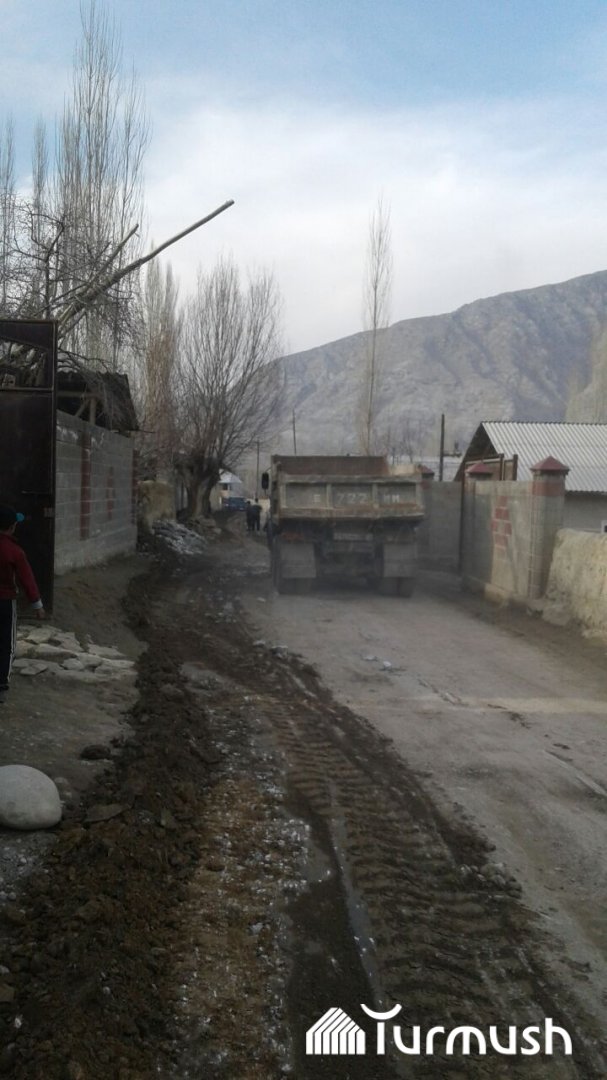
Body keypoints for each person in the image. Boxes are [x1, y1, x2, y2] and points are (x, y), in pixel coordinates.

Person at [0, 505, 45, 704]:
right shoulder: (15, 551)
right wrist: (37, 605)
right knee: (6, 643)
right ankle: (1, 684)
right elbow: (27, 580)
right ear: (12, 527)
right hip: (5, 602)